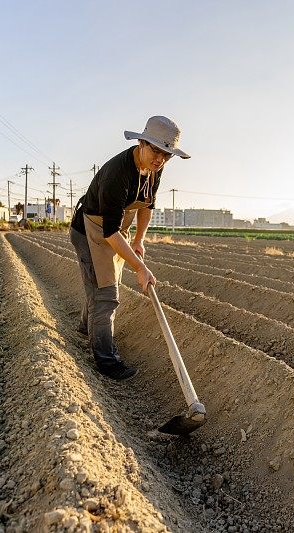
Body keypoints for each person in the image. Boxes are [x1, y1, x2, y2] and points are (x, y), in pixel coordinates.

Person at [70, 116, 190, 380]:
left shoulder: (154, 168)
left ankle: (84, 328)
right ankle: (106, 361)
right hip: (91, 230)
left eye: (167, 155)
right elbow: (109, 231)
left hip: (115, 230)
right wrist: (141, 267)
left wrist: (139, 240)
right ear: (141, 143)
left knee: (103, 283)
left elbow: (146, 206)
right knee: (106, 293)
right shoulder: (117, 174)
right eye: (156, 150)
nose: (160, 159)